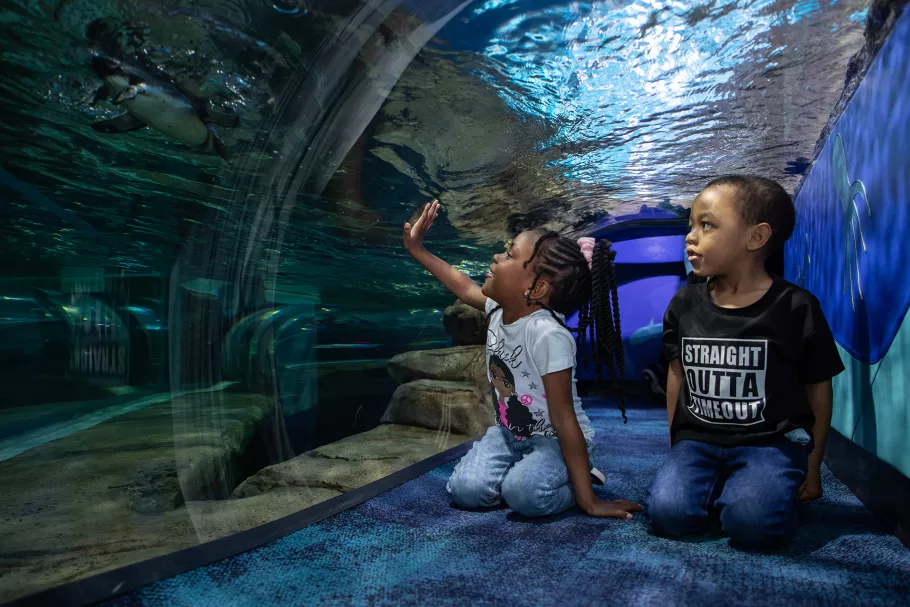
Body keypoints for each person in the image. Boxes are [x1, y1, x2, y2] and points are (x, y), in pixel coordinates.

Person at [403, 200, 642, 520]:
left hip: (555, 439)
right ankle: (531, 471)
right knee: (466, 492)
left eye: (509, 254)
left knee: (525, 496)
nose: (496, 257)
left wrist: (589, 502)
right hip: (508, 432)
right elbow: (462, 285)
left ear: (536, 287)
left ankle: (579, 478)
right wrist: (418, 249)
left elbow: (564, 419)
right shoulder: (498, 310)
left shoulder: (549, 336)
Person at [645, 175, 845, 549]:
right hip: (698, 439)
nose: (690, 236)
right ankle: (722, 485)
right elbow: (677, 375)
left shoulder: (797, 307)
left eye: (706, 225)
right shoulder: (683, 305)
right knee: (667, 516)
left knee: (753, 527)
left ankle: (752, 490)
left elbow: (818, 385)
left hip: (769, 441)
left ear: (756, 237)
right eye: (690, 226)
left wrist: (814, 464)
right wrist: (677, 444)